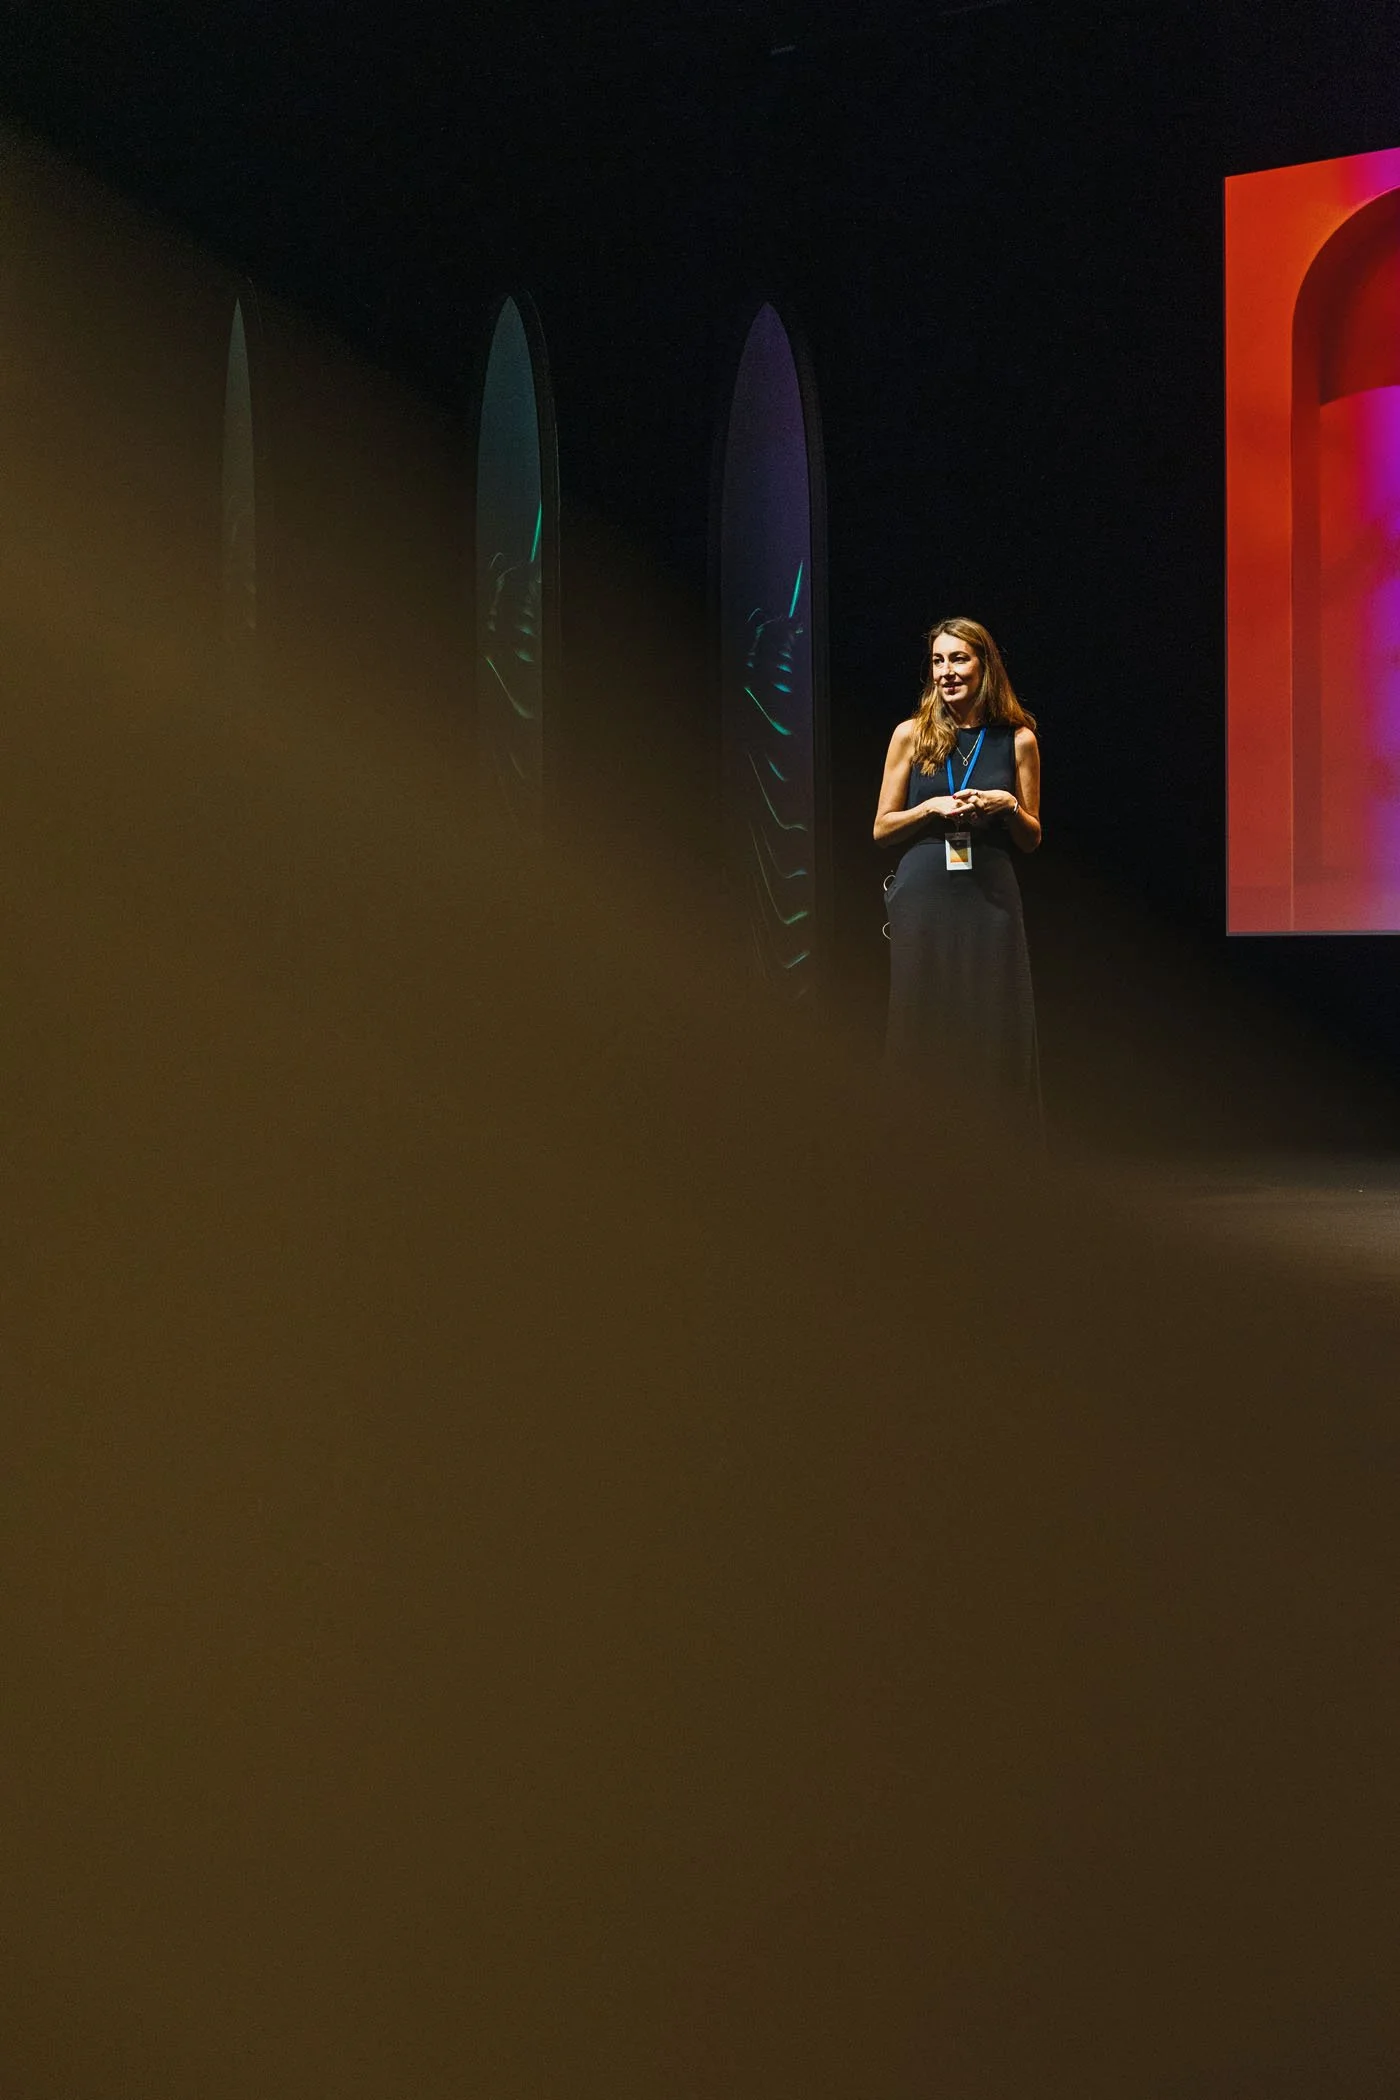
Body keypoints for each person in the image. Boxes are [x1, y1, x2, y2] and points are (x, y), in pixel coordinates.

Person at [874, 616, 1042, 1115]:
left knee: (993, 1019)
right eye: (937, 661)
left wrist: (1006, 805)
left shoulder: (1018, 739)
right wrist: (930, 808)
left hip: (989, 897)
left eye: (958, 659)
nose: (946, 672)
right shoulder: (911, 735)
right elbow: (882, 828)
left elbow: (1032, 838)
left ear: (983, 666)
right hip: (924, 896)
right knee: (920, 1020)